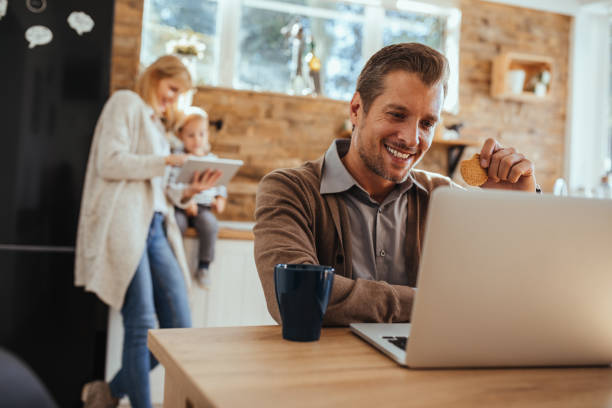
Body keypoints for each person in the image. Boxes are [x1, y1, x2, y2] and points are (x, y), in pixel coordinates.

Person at [253, 43, 538, 326]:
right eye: (397, 115)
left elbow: (505, 294)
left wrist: (517, 212)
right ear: (356, 110)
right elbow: (294, 299)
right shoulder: (289, 190)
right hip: (327, 369)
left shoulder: (444, 197)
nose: (412, 139)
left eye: (426, 123)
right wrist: (433, 303)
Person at [75, 55, 220, 408]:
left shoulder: (157, 126)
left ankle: (107, 393)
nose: (173, 99)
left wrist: (187, 190)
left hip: (156, 226)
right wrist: (166, 161)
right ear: (155, 76)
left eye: (179, 94)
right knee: (140, 324)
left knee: (178, 331)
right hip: (127, 225)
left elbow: (157, 189)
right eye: (172, 89)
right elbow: (109, 161)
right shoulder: (125, 103)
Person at [167, 107, 228, 288]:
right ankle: (173, 264)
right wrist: (187, 203)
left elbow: (220, 184)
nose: (196, 140)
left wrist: (220, 200)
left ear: (207, 135)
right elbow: (172, 183)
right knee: (177, 225)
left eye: (201, 134)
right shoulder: (178, 158)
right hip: (181, 206)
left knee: (210, 225)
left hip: (204, 208)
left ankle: (204, 266)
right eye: (191, 135)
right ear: (180, 135)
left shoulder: (212, 159)